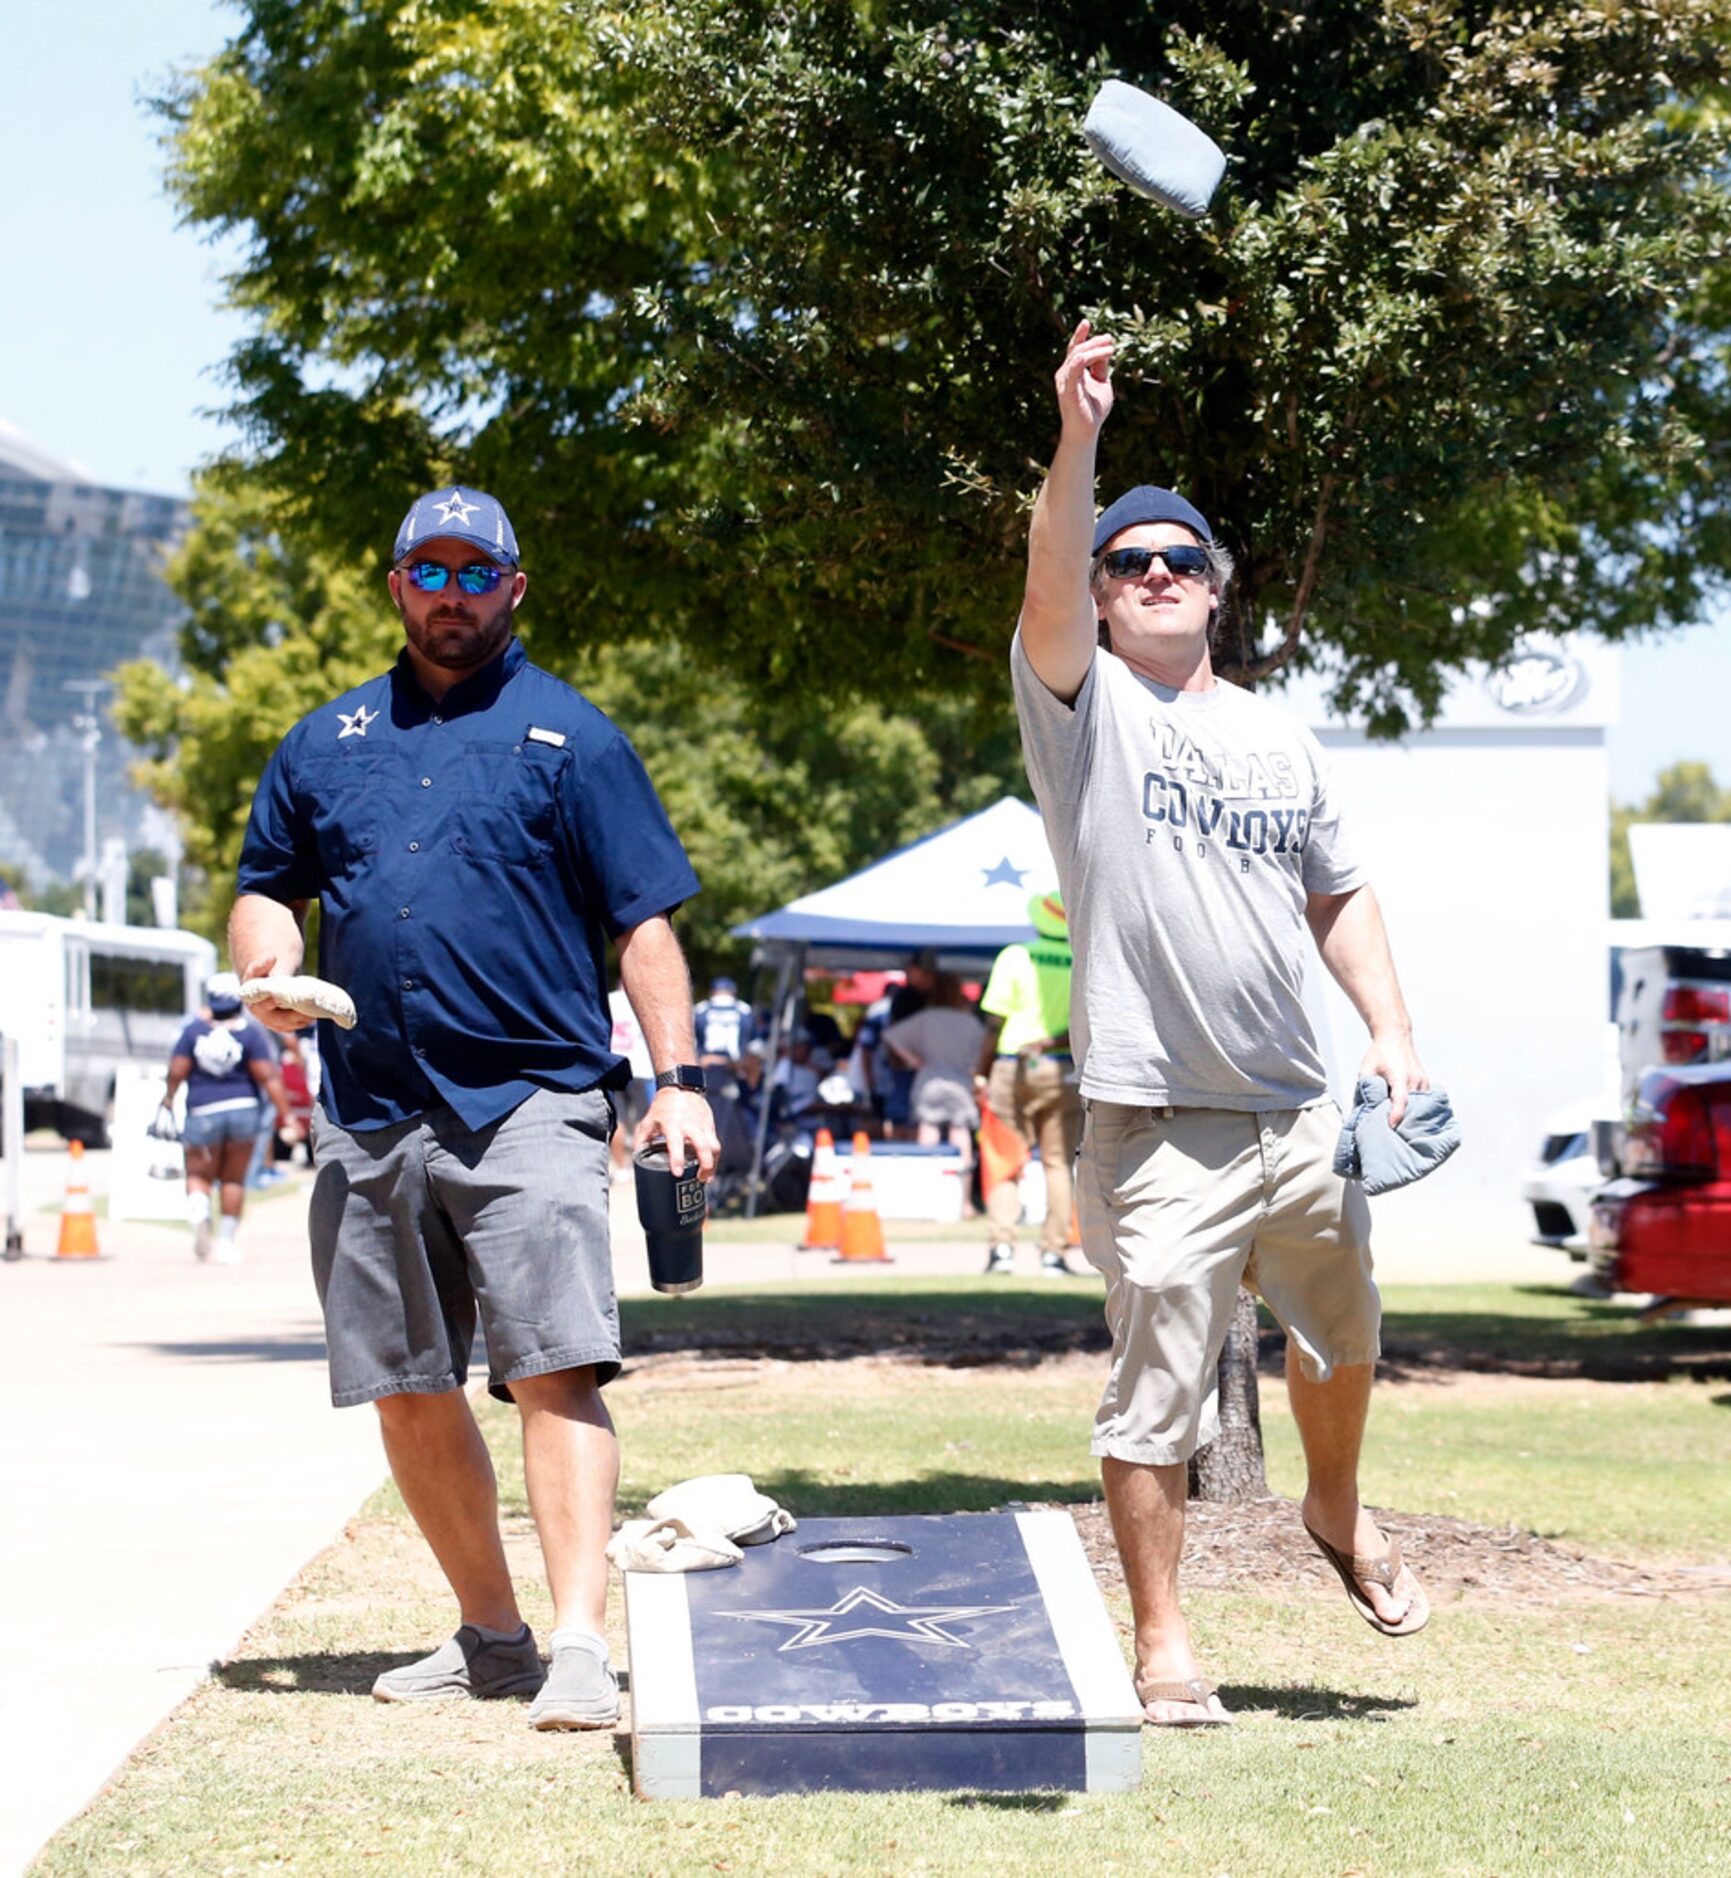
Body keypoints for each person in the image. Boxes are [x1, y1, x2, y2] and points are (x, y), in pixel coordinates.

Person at [230, 485, 718, 1733]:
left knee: (554, 1365)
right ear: (397, 586)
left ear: (515, 586)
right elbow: (266, 891)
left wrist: (680, 1083)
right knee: (405, 1383)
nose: (452, 594)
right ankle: (491, 1639)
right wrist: (264, 970)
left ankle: (577, 1646)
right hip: (370, 1108)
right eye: (428, 573)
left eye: (475, 573)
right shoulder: (322, 741)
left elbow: (643, 923)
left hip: (534, 1100)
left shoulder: (575, 738)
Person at [1012, 324, 1431, 1728]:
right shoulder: (1085, 711)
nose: (1149, 577)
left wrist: (1391, 1038)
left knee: (1342, 1341)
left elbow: (1340, 891)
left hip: (1296, 1106)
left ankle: (1329, 1506)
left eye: (1174, 560)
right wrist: (1078, 440)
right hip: (1152, 1117)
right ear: (1102, 595)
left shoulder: (1279, 734)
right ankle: (1162, 1642)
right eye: (1125, 563)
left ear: (1213, 588)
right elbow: (1048, 575)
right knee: (1152, 1399)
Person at [973, 890, 1085, 1277]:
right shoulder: (1082, 959)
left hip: (1013, 1066)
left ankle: (1001, 1249)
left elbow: (994, 1022)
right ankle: (1053, 1252)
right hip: (1064, 1068)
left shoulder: (1016, 955)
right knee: (1058, 1164)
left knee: (1004, 1161)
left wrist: (981, 1071)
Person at [158, 972, 296, 1264]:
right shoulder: (249, 1033)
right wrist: (287, 1115)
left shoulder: (193, 1032)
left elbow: (177, 1070)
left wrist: (169, 1098)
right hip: (243, 1110)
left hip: (201, 1110)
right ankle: (226, 1242)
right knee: (233, 1179)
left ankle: (199, 1210)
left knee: (197, 1174)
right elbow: (268, 1076)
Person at [883, 973, 986, 1207]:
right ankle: (965, 1201)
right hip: (960, 1083)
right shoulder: (969, 1022)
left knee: (928, 1130)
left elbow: (891, 1036)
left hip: (929, 1080)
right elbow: (981, 1053)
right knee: (960, 1135)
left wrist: (914, 1060)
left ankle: (925, 1196)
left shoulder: (926, 1018)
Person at [693, 975, 753, 1076]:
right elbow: (752, 1042)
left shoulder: (701, 1009)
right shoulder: (744, 1010)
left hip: (705, 1065)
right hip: (734, 1067)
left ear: (712, 992)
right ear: (733, 992)